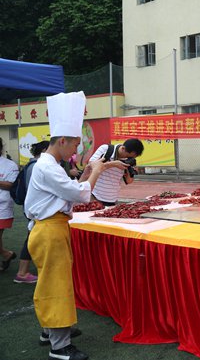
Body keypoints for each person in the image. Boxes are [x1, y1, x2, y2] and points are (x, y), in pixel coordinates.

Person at [25, 91, 115, 360]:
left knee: (53, 281)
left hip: (51, 228)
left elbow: (71, 191)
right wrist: (96, 172)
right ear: (62, 141)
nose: (76, 151)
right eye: (75, 144)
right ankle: (59, 345)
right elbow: (80, 194)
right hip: (49, 229)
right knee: (56, 285)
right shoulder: (47, 167)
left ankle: (50, 330)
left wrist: (87, 174)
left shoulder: (50, 164)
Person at [13, 140, 50, 284]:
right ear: (45, 150)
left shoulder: (32, 165)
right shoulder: (36, 166)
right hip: (35, 210)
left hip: (33, 209)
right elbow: (33, 191)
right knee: (31, 238)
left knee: (34, 237)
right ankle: (22, 272)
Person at [87, 138, 144, 206]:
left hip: (112, 199)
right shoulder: (106, 149)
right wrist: (113, 164)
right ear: (123, 148)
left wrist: (130, 172)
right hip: (95, 196)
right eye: (127, 156)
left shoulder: (130, 160)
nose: (128, 158)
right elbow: (90, 166)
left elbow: (129, 181)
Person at [0, 137, 19, 271]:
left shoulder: (10, 165)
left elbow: (11, 185)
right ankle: (6, 254)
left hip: (2, 206)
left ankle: (6, 254)